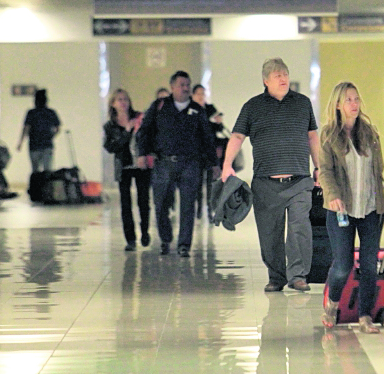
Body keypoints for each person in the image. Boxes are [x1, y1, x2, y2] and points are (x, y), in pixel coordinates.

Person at [221, 58, 320, 292]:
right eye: (277, 75)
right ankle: (276, 277)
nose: (283, 78)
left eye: (285, 74)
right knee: (270, 233)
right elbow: (236, 137)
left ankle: (298, 275)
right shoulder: (253, 106)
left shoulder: (302, 103)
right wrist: (227, 165)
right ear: (266, 81)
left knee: (299, 230)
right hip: (266, 183)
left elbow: (312, 136)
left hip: (299, 180)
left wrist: (319, 167)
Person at [318, 82, 384, 334]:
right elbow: (324, 171)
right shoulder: (328, 136)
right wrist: (333, 195)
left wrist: (382, 205)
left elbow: (377, 172)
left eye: (356, 99)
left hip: (370, 208)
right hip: (341, 211)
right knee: (343, 265)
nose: (354, 104)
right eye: (348, 99)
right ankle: (332, 305)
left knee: (369, 265)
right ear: (338, 104)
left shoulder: (369, 133)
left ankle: (365, 317)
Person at [136, 71, 216, 258]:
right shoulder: (159, 107)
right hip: (164, 163)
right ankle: (165, 239)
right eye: (181, 84)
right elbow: (145, 131)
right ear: (172, 87)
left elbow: (207, 138)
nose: (186, 88)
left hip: (190, 164)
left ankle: (184, 245)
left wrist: (214, 163)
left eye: (187, 84)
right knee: (161, 204)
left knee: (188, 206)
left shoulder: (197, 110)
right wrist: (142, 154)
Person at [103, 89, 151, 252]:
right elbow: (110, 147)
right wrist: (126, 132)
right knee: (125, 204)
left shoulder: (139, 118)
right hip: (123, 166)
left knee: (143, 200)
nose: (123, 102)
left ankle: (144, 231)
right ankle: (130, 239)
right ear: (113, 104)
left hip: (140, 164)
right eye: (119, 100)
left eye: (125, 99)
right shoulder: (110, 126)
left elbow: (147, 137)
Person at [192, 84, 224, 220]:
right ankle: (199, 210)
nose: (201, 97)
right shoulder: (191, 109)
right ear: (193, 95)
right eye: (198, 94)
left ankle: (210, 209)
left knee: (211, 182)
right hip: (195, 151)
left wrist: (218, 122)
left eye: (203, 94)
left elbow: (219, 129)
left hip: (210, 151)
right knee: (197, 182)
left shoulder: (210, 109)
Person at [16, 89, 61, 173]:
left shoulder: (31, 113)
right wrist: (51, 136)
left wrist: (20, 143)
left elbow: (26, 128)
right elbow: (58, 128)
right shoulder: (51, 112)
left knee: (35, 170)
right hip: (47, 144)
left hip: (34, 145)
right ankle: (46, 185)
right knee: (48, 170)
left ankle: (37, 185)